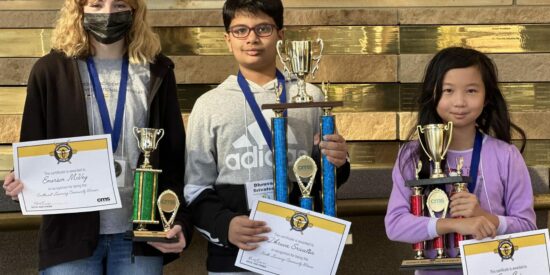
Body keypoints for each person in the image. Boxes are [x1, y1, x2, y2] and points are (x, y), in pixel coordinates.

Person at [2, 0, 192, 274]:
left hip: (138, 236)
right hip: (70, 235)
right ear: (79, 10)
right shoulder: (49, 71)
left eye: (119, 5)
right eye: (97, 4)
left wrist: (179, 220)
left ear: (135, 11)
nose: (107, 14)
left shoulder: (156, 70)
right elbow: (34, 149)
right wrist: (22, 178)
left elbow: (174, 158)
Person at [183, 0, 350, 273]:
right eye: (240, 30)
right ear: (227, 39)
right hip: (235, 255)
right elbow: (194, 187)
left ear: (281, 36)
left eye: (263, 28)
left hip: (300, 249)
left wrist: (339, 161)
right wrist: (225, 225)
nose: (251, 38)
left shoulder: (310, 97)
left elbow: (321, 179)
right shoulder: (208, 105)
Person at [384, 47, 537, 275]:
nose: (459, 101)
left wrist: (484, 217)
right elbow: (395, 224)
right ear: (433, 95)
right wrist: (454, 224)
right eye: (448, 90)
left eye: (472, 91)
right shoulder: (412, 155)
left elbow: (528, 228)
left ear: (487, 98)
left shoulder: (506, 155)